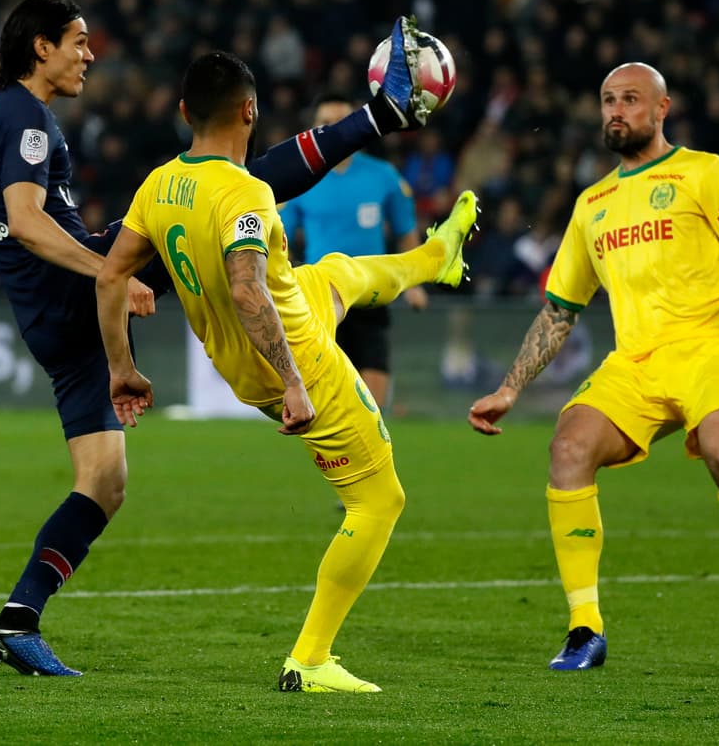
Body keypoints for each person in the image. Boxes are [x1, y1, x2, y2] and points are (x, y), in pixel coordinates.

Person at [0, 0, 433, 677]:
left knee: (103, 481)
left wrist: (119, 345)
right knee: (230, 185)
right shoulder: (24, 114)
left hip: (52, 319)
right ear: (40, 47)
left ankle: (18, 618)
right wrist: (113, 273)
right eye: (77, 40)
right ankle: (379, 114)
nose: (89, 54)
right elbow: (27, 220)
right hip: (73, 294)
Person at [95, 50, 480, 692]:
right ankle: (310, 659)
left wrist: (121, 368)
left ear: (186, 112)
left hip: (256, 347)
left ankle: (434, 256)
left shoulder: (158, 184)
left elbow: (111, 274)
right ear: (250, 111)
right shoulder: (245, 193)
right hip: (299, 363)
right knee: (380, 501)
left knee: (335, 271)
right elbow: (248, 291)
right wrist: (296, 382)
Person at [467, 62, 719, 673]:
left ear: (661, 109)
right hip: (636, 361)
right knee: (568, 449)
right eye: (607, 101)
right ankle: (584, 630)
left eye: (629, 99)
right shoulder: (592, 204)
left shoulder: (704, 172)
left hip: (711, 343)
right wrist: (509, 387)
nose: (616, 111)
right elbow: (559, 309)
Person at [278, 92, 427, 409]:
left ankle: (371, 445)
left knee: (374, 391)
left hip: (371, 292)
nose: (332, 130)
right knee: (329, 394)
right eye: (325, 123)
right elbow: (279, 240)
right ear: (312, 129)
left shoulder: (383, 176)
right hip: (323, 297)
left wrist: (414, 284)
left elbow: (405, 232)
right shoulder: (298, 179)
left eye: (341, 122)